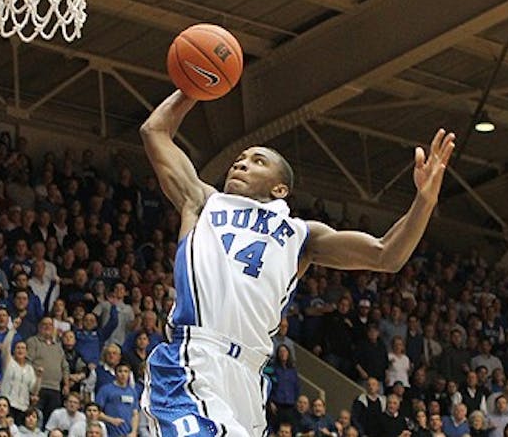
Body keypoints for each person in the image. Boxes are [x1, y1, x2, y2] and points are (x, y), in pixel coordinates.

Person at [137, 90, 454, 437]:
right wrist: (194, 88)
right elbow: (155, 132)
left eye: (257, 161)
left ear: (280, 189)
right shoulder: (201, 201)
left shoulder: (301, 236)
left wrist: (423, 202)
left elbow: (386, 254)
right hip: (193, 357)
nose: (241, 163)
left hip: (249, 376)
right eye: (240, 159)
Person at [95, 363, 139, 437]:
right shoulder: (105, 389)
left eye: (125, 371)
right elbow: (97, 412)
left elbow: (135, 414)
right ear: (115, 374)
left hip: (128, 434)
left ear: (129, 374)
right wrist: (111, 420)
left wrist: (134, 431)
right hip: (110, 432)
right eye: (120, 371)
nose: (123, 374)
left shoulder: (132, 392)